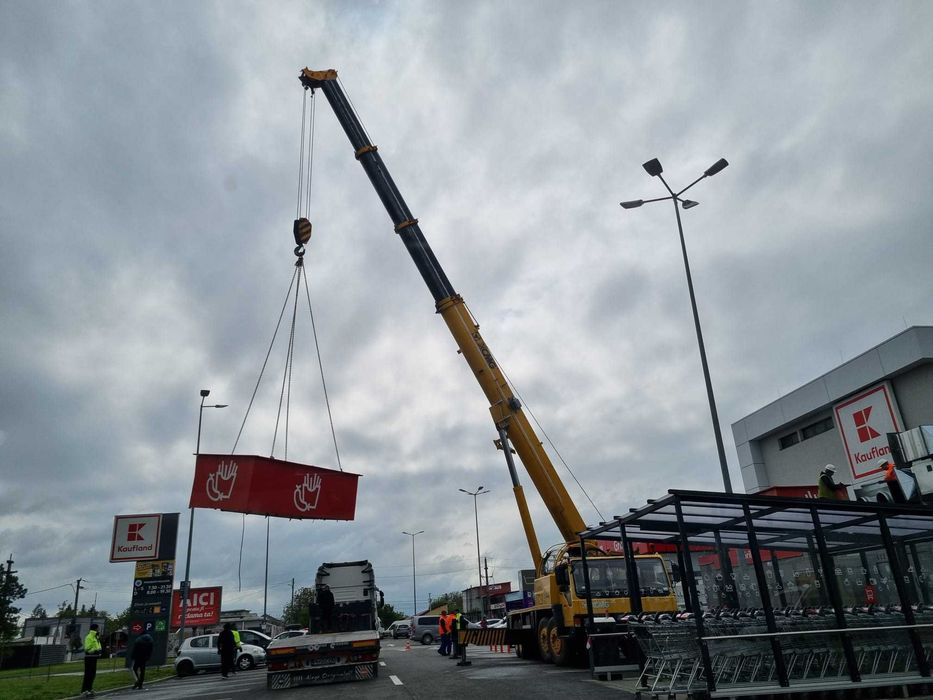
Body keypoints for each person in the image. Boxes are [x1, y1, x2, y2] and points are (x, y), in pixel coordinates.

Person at [81, 623, 102, 697]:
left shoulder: (96, 637)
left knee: (93, 674)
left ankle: (89, 688)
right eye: (98, 628)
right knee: (88, 674)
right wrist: (95, 650)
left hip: (94, 657)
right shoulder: (89, 637)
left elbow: (98, 646)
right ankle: (84, 690)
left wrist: (99, 651)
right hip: (89, 657)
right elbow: (87, 648)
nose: (99, 629)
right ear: (95, 629)